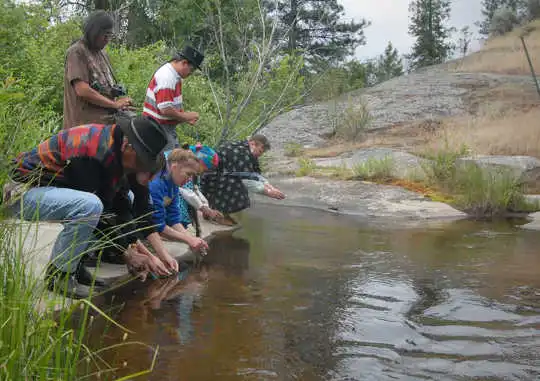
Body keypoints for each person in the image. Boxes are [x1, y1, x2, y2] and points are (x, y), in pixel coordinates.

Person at [7, 116, 172, 299]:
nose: (140, 168)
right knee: (89, 206)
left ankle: (76, 268)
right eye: (141, 161)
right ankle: (59, 275)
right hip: (19, 192)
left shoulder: (113, 148)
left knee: (103, 203)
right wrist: (126, 253)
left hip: (46, 191)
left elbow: (121, 206)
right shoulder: (91, 153)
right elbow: (98, 215)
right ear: (128, 146)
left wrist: (132, 245)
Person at [63, 10, 133, 129]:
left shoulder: (102, 53)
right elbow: (82, 90)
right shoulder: (77, 52)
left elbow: (106, 88)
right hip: (83, 129)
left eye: (110, 35)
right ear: (93, 32)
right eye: (105, 35)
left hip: (105, 126)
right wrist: (114, 104)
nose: (107, 40)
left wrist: (120, 100)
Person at [199, 134, 286, 226]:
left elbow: (254, 174)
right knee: (237, 186)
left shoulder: (245, 148)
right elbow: (247, 180)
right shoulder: (241, 153)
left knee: (234, 180)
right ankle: (217, 214)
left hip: (217, 177)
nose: (260, 155)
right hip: (211, 180)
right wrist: (268, 192)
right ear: (253, 144)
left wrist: (270, 186)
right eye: (260, 151)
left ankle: (215, 211)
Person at [148, 147, 219, 252]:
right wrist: (188, 239)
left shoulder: (173, 184)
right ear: (174, 166)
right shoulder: (156, 184)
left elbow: (173, 219)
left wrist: (191, 239)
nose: (190, 179)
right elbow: (158, 225)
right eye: (188, 174)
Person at [142, 45, 204, 149]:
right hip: (158, 128)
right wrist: (186, 116)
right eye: (191, 70)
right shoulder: (167, 77)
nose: (191, 74)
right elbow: (165, 109)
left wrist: (184, 117)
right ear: (184, 63)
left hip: (163, 127)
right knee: (169, 161)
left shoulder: (174, 75)